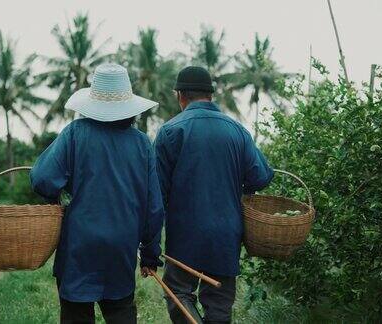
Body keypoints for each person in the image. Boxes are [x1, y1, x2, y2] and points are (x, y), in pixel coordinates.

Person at [30, 63, 164, 324]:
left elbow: (42, 178)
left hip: (79, 244)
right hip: (121, 246)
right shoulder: (142, 144)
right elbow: (153, 208)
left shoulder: (74, 134)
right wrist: (150, 253)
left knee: (76, 314)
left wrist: (61, 193)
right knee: (121, 312)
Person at [155, 66, 274, 324]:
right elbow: (261, 177)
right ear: (211, 96)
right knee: (219, 302)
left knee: (178, 291)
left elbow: (157, 194)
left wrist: (150, 241)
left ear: (180, 95)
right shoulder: (237, 131)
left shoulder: (170, 131)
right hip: (226, 233)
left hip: (184, 233)